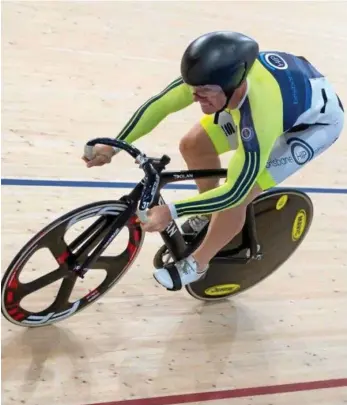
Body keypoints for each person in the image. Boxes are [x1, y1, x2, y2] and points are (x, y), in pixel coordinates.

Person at [83, 31, 344, 291]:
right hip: (286, 95)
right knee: (193, 144)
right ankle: (208, 210)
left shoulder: (260, 116)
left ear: (234, 86)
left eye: (204, 93)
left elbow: (235, 191)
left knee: (240, 194)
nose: (195, 98)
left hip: (314, 126)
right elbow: (160, 105)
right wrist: (112, 146)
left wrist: (172, 211)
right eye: (193, 90)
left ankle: (197, 264)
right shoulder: (211, 78)